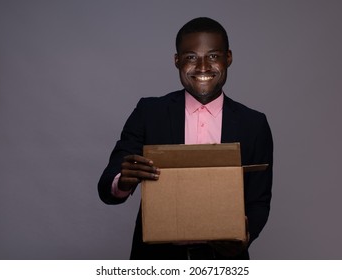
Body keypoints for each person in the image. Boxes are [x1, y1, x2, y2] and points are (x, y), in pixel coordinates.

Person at [98, 17, 273, 260]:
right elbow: (108, 185)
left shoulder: (253, 124)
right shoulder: (149, 113)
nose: (202, 66)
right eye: (191, 57)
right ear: (177, 60)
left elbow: (259, 201)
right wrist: (123, 182)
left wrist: (246, 235)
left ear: (228, 58)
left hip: (224, 260)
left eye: (213, 56)